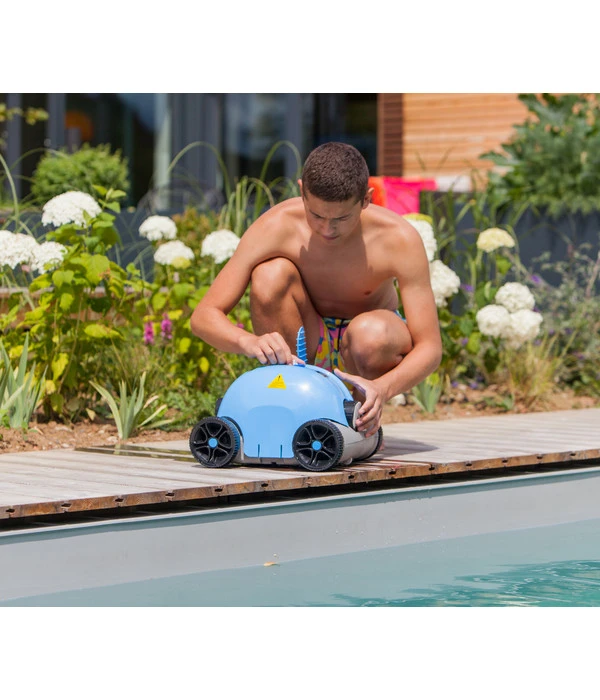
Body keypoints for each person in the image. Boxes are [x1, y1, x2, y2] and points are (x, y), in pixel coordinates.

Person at [190, 142, 442, 438]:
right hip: (305, 339)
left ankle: (360, 423)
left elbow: (430, 348)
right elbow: (203, 316)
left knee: (369, 333)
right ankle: (296, 411)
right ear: (301, 192)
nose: (327, 229)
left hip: (369, 347)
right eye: (317, 215)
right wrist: (248, 342)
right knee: (269, 275)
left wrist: (382, 388)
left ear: (366, 199)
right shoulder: (276, 226)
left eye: (341, 218)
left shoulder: (399, 239)